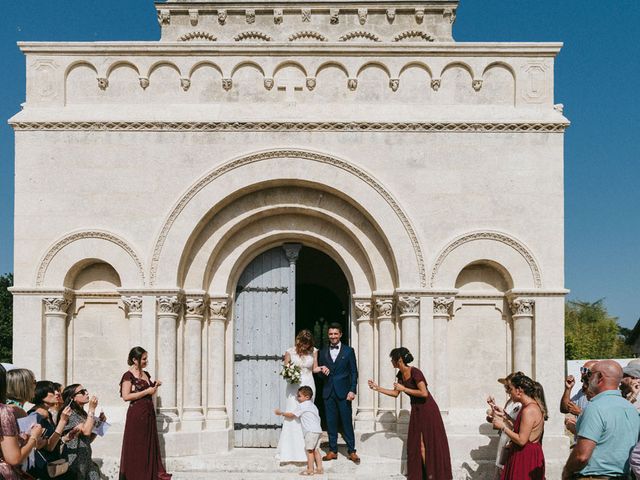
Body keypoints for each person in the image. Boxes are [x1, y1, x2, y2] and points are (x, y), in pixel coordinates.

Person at [369, 347, 452, 480]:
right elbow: (395, 393)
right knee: (418, 445)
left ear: (399, 360)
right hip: (417, 411)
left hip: (428, 410)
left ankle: (432, 475)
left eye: (392, 359)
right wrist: (377, 388)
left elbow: (424, 393)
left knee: (427, 443)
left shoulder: (415, 372)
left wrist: (404, 388)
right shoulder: (401, 374)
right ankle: (425, 474)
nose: (391, 361)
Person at [562, 360, 640, 480]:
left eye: (590, 375)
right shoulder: (630, 408)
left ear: (599, 377)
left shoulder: (595, 407)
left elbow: (581, 456)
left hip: (594, 476)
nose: (588, 379)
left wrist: (567, 471)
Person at [119, 346, 171, 480]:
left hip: (148, 412)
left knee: (147, 444)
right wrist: (146, 392)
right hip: (136, 414)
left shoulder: (146, 374)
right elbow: (126, 396)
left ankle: (148, 474)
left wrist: (154, 386)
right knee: (137, 445)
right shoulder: (128, 375)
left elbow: (148, 390)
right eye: (144, 359)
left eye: (146, 358)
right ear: (134, 360)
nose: (146, 361)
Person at [317, 323, 360, 464]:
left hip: (344, 392)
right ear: (328, 335)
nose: (333, 337)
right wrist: (322, 372)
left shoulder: (348, 351)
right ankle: (332, 450)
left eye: (335, 334)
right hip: (328, 392)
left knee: (346, 422)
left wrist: (352, 390)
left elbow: (354, 372)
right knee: (330, 422)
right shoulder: (322, 352)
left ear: (340, 334)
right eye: (331, 334)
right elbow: (320, 376)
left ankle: (352, 451)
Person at [276, 329, 320, 463]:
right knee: (292, 415)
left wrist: (322, 368)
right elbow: (285, 369)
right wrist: (290, 375)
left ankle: (308, 450)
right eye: (303, 343)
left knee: (306, 415)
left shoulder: (314, 351)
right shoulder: (289, 352)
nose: (305, 346)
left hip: (308, 384)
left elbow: (314, 369)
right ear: (298, 341)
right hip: (293, 386)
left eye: (307, 344)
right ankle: (290, 451)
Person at [492, 372, 545, 480]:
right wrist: (506, 416)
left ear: (519, 390)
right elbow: (522, 427)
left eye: (510, 389)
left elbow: (522, 440)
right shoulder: (528, 407)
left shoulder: (529, 410)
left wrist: (503, 427)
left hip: (525, 456)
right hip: (523, 453)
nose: (509, 393)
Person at [0, 364, 44, 480]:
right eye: (34, 382)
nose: (36, 385)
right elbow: (14, 457)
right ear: (23, 386)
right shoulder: (12, 411)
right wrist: (34, 437)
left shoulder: (14, 409)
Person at [28, 380, 75, 479]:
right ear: (41, 394)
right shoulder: (34, 417)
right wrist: (63, 421)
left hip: (53, 466)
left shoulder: (47, 414)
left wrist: (64, 438)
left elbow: (50, 441)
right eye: (52, 390)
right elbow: (49, 447)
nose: (57, 393)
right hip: (42, 470)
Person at [275, 386, 323, 476]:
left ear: (307, 397)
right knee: (316, 450)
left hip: (310, 431)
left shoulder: (302, 406)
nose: (297, 397)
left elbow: (292, 415)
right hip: (318, 431)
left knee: (309, 451)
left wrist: (281, 413)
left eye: (299, 396)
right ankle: (320, 468)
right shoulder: (313, 406)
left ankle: (310, 469)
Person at [60, 384, 105, 479]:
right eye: (82, 392)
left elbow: (88, 439)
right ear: (73, 397)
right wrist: (92, 409)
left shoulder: (83, 414)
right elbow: (86, 431)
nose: (87, 393)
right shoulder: (69, 413)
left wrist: (100, 424)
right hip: (74, 461)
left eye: (85, 390)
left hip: (86, 459)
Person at [487, 373, 522, 479]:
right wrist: (493, 411)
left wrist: (502, 424)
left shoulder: (520, 404)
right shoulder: (510, 401)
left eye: (508, 386)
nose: (506, 389)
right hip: (504, 441)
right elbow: (506, 418)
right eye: (506, 386)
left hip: (510, 443)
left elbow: (514, 424)